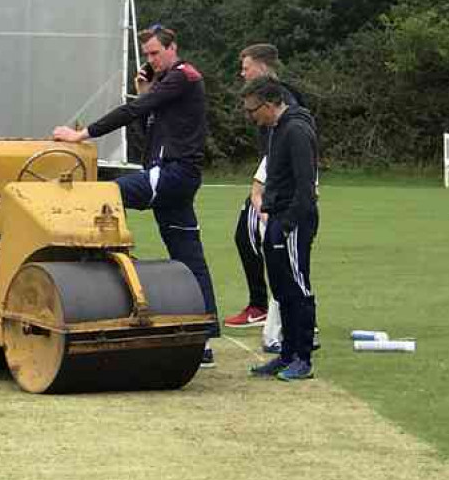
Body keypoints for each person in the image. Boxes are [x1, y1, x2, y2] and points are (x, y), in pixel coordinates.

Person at [53, 25, 220, 367]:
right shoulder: (165, 87)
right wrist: (146, 91)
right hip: (173, 177)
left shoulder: (183, 76)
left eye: (156, 53)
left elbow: (130, 112)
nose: (151, 60)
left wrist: (80, 135)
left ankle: (112, 264)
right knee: (189, 256)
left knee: (106, 195)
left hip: (172, 174)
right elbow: (146, 127)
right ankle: (204, 340)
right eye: (146, 55)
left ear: (173, 48)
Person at [225, 44, 305, 339]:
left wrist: (260, 185)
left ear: (261, 67)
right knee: (249, 238)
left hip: (278, 188)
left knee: (257, 240)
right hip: (271, 181)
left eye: (246, 67)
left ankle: (268, 308)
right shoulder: (264, 97)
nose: (242, 72)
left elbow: (283, 149)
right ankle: (273, 308)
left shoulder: (282, 100)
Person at [244, 76, 319, 381]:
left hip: (294, 220)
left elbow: (306, 185)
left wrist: (287, 225)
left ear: (272, 103)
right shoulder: (274, 130)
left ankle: (303, 358)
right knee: (281, 288)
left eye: (254, 110)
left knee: (297, 286)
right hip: (276, 216)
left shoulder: (297, 130)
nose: (251, 117)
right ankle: (286, 354)